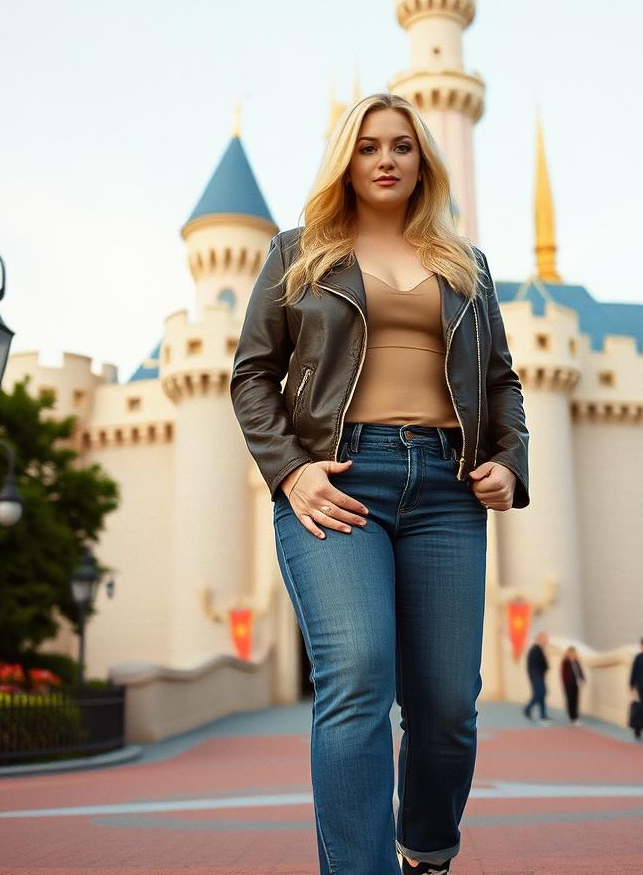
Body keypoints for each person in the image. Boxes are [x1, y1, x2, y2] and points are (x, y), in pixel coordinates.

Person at [230, 92, 530, 875]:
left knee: (446, 710)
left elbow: (502, 383)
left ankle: (426, 848)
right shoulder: (298, 254)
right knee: (358, 671)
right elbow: (251, 375)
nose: (386, 159)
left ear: (423, 159)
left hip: (447, 488)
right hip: (338, 478)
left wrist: (509, 461)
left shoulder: (468, 267)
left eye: (401, 145)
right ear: (346, 161)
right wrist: (289, 471)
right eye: (368, 147)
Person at [523, 632, 551, 724]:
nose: (546, 641)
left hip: (540, 676)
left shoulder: (540, 649)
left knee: (542, 694)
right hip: (536, 676)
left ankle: (543, 714)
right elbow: (534, 665)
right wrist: (535, 675)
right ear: (539, 639)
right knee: (539, 693)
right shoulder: (535, 650)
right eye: (544, 639)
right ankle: (528, 709)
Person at [560, 646, 586, 725]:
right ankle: (572, 718)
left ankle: (575, 716)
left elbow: (580, 671)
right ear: (568, 653)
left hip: (576, 683)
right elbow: (563, 674)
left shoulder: (577, 662)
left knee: (576, 700)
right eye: (571, 653)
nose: (573, 654)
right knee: (570, 700)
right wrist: (564, 684)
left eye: (574, 653)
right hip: (568, 684)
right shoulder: (565, 662)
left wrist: (583, 679)